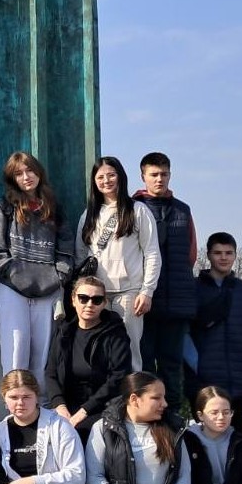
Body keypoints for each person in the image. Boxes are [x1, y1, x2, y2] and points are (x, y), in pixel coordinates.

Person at [0, 151, 73, 395]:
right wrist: (15, 275)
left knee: (43, 355)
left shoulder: (54, 208)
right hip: (11, 290)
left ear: (39, 172)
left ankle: (41, 407)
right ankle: (14, 407)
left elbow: (66, 251)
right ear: (12, 180)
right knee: (15, 353)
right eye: (19, 173)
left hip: (48, 290)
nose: (26, 177)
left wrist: (58, 277)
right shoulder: (5, 206)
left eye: (29, 170)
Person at [74, 156, 161, 372]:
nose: (106, 180)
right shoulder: (88, 215)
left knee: (129, 350)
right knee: (100, 350)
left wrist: (147, 291)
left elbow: (152, 253)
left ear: (120, 176)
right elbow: (80, 254)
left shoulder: (138, 210)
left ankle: (132, 392)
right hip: (96, 296)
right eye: (100, 177)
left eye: (111, 175)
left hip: (130, 293)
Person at [133, 153, 198, 414]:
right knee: (145, 365)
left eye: (164, 174)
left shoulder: (183, 210)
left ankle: (172, 418)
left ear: (170, 175)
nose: (159, 179)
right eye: (154, 174)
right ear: (143, 176)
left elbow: (191, 254)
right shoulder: (134, 207)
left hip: (177, 301)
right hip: (144, 302)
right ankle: (147, 417)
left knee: (172, 367)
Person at [187, 233, 242, 411]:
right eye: (218, 253)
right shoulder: (192, 290)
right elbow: (182, 333)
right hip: (204, 384)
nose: (223, 257)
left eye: (228, 253)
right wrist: (197, 364)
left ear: (235, 255)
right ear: (208, 255)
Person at [45, 275, 132, 439]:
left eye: (96, 300)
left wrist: (84, 411)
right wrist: (59, 405)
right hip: (66, 406)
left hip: (101, 407)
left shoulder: (116, 333)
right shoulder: (64, 331)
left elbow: (118, 377)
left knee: (78, 433)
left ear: (104, 303)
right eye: (83, 298)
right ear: (73, 300)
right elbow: (51, 372)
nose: (89, 304)